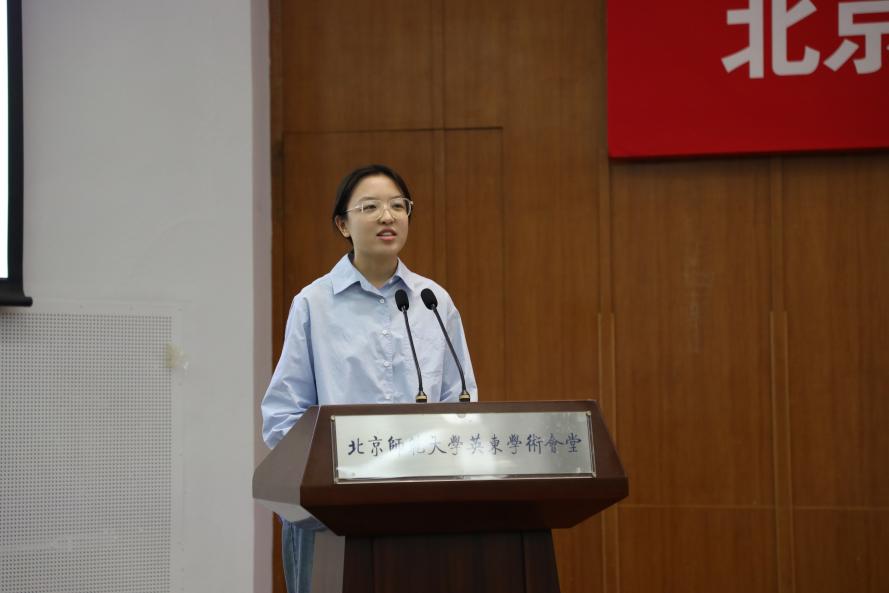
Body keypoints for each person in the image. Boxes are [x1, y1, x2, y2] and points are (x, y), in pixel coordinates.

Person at [261, 164, 478, 593]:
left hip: (420, 508)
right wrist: (326, 475)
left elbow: (461, 403)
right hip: (334, 513)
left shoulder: (432, 301)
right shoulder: (314, 303)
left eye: (398, 206)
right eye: (371, 207)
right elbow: (282, 415)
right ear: (343, 224)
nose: (387, 216)